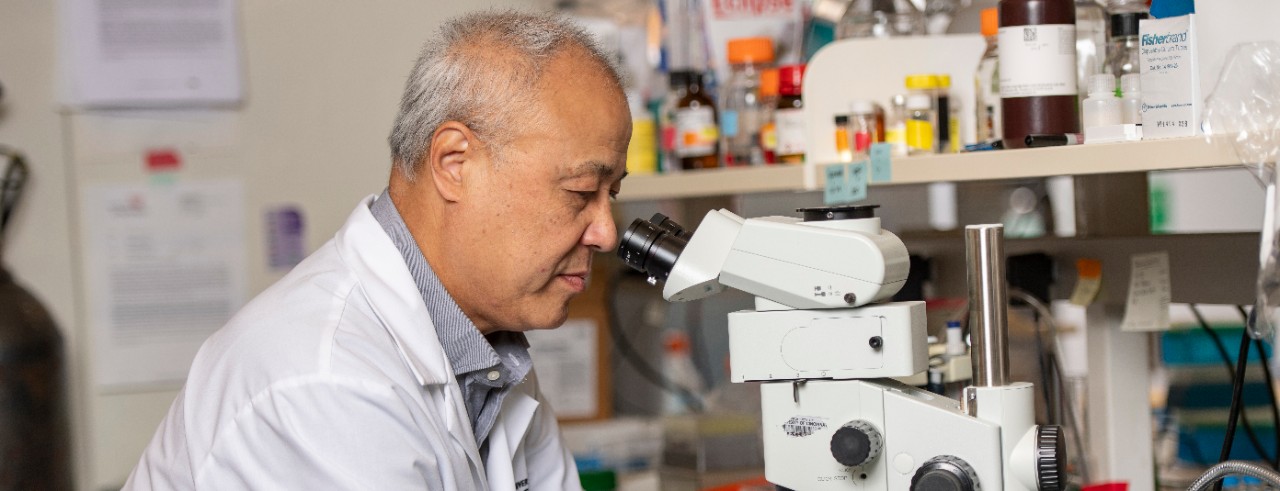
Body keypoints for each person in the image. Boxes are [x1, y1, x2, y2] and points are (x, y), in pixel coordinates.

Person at [124, 10, 631, 491]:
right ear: (455, 163)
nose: (605, 233)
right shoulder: (320, 379)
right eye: (581, 191)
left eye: (613, 194)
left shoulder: (488, 355)